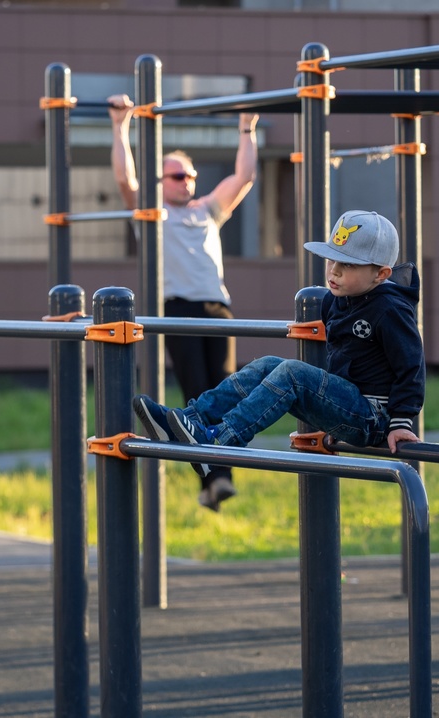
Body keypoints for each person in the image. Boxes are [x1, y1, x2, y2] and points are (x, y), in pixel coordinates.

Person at [132, 210, 425, 486]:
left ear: (382, 274)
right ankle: (192, 419)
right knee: (268, 364)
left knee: (292, 373)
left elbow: (412, 365)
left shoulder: (391, 310)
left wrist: (401, 421)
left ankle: (221, 442)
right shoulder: (337, 299)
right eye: (331, 260)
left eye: (347, 265)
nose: (333, 272)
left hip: (373, 417)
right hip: (345, 400)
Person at [109, 93, 259, 511]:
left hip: (217, 308)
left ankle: (215, 479)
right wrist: (120, 126)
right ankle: (216, 478)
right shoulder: (152, 212)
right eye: (176, 176)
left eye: (190, 175)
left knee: (228, 391)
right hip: (177, 308)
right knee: (198, 391)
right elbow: (125, 180)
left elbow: (243, 176)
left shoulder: (207, 209)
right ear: (159, 182)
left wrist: (247, 126)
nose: (186, 181)